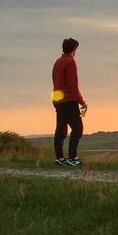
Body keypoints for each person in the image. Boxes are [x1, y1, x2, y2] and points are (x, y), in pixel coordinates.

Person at [51, 38, 87, 166]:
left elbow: (55, 82)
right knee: (78, 128)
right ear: (74, 49)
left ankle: (60, 158)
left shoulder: (58, 62)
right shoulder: (70, 62)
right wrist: (82, 101)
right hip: (69, 101)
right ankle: (72, 158)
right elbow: (73, 85)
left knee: (60, 129)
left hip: (58, 100)